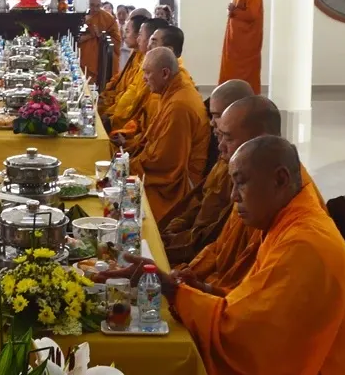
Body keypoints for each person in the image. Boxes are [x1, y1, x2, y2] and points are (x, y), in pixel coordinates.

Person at [166, 136, 345, 375]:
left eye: (241, 183)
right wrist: (203, 291)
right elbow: (256, 303)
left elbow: (248, 342)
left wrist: (173, 292)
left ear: (279, 179)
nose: (233, 197)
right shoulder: (286, 217)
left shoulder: (307, 244)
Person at [184, 95, 322, 294]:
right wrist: (189, 275)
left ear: (260, 138)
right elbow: (221, 248)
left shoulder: (297, 233)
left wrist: (192, 293)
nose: (220, 146)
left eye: (228, 138)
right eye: (220, 136)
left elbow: (249, 309)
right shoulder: (253, 180)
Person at [160, 80, 254, 264]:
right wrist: (175, 227)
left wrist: (169, 242)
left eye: (216, 116)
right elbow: (201, 200)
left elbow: (212, 234)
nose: (211, 123)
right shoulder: (226, 153)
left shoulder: (246, 166)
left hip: (198, 249)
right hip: (191, 237)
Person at [127, 47, 210, 223]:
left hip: (180, 184)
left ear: (165, 73)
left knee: (125, 200)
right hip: (168, 170)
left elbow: (166, 163)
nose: (144, 78)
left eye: (147, 73)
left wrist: (131, 165)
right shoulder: (172, 92)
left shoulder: (179, 106)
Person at [218, 0, 264, 93]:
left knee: (244, 73)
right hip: (236, 42)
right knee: (231, 70)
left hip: (246, 44)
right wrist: (232, 10)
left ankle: (244, 97)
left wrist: (234, 11)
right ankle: (228, 95)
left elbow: (252, 15)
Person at [98, 14, 145, 115]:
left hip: (123, 110)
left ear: (138, 34)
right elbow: (121, 79)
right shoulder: (135, 53)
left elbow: (131, 94)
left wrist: (111, 113)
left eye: (127, 31)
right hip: (117, 100)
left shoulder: (146, 62)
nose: (124, 35)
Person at [79, 0, 121, 83]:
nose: (95, 9)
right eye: (92, 5)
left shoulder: (107, 18)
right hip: (81, 56)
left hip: (99, 60)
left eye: (98, 6)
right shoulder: (79, 14)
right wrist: (91, 35)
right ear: (87, 3)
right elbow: (74, 37)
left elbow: (117, 40)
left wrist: (102, 35)